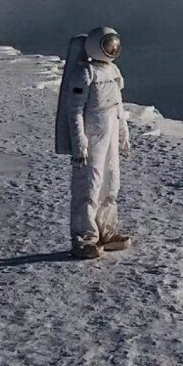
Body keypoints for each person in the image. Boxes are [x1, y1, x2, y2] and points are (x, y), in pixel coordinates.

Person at [65, 25, 132, 260]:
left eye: (114, 44)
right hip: (93, 136)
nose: (113, 49)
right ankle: (85, 237)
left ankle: (107, 230)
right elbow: (73, 111)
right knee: (89, 186)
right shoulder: (85, 73)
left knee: (111, 182)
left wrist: (123, 136)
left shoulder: (112, 71)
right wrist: (79, 142)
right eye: (108, 45)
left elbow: (118, 108)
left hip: (110, 133)